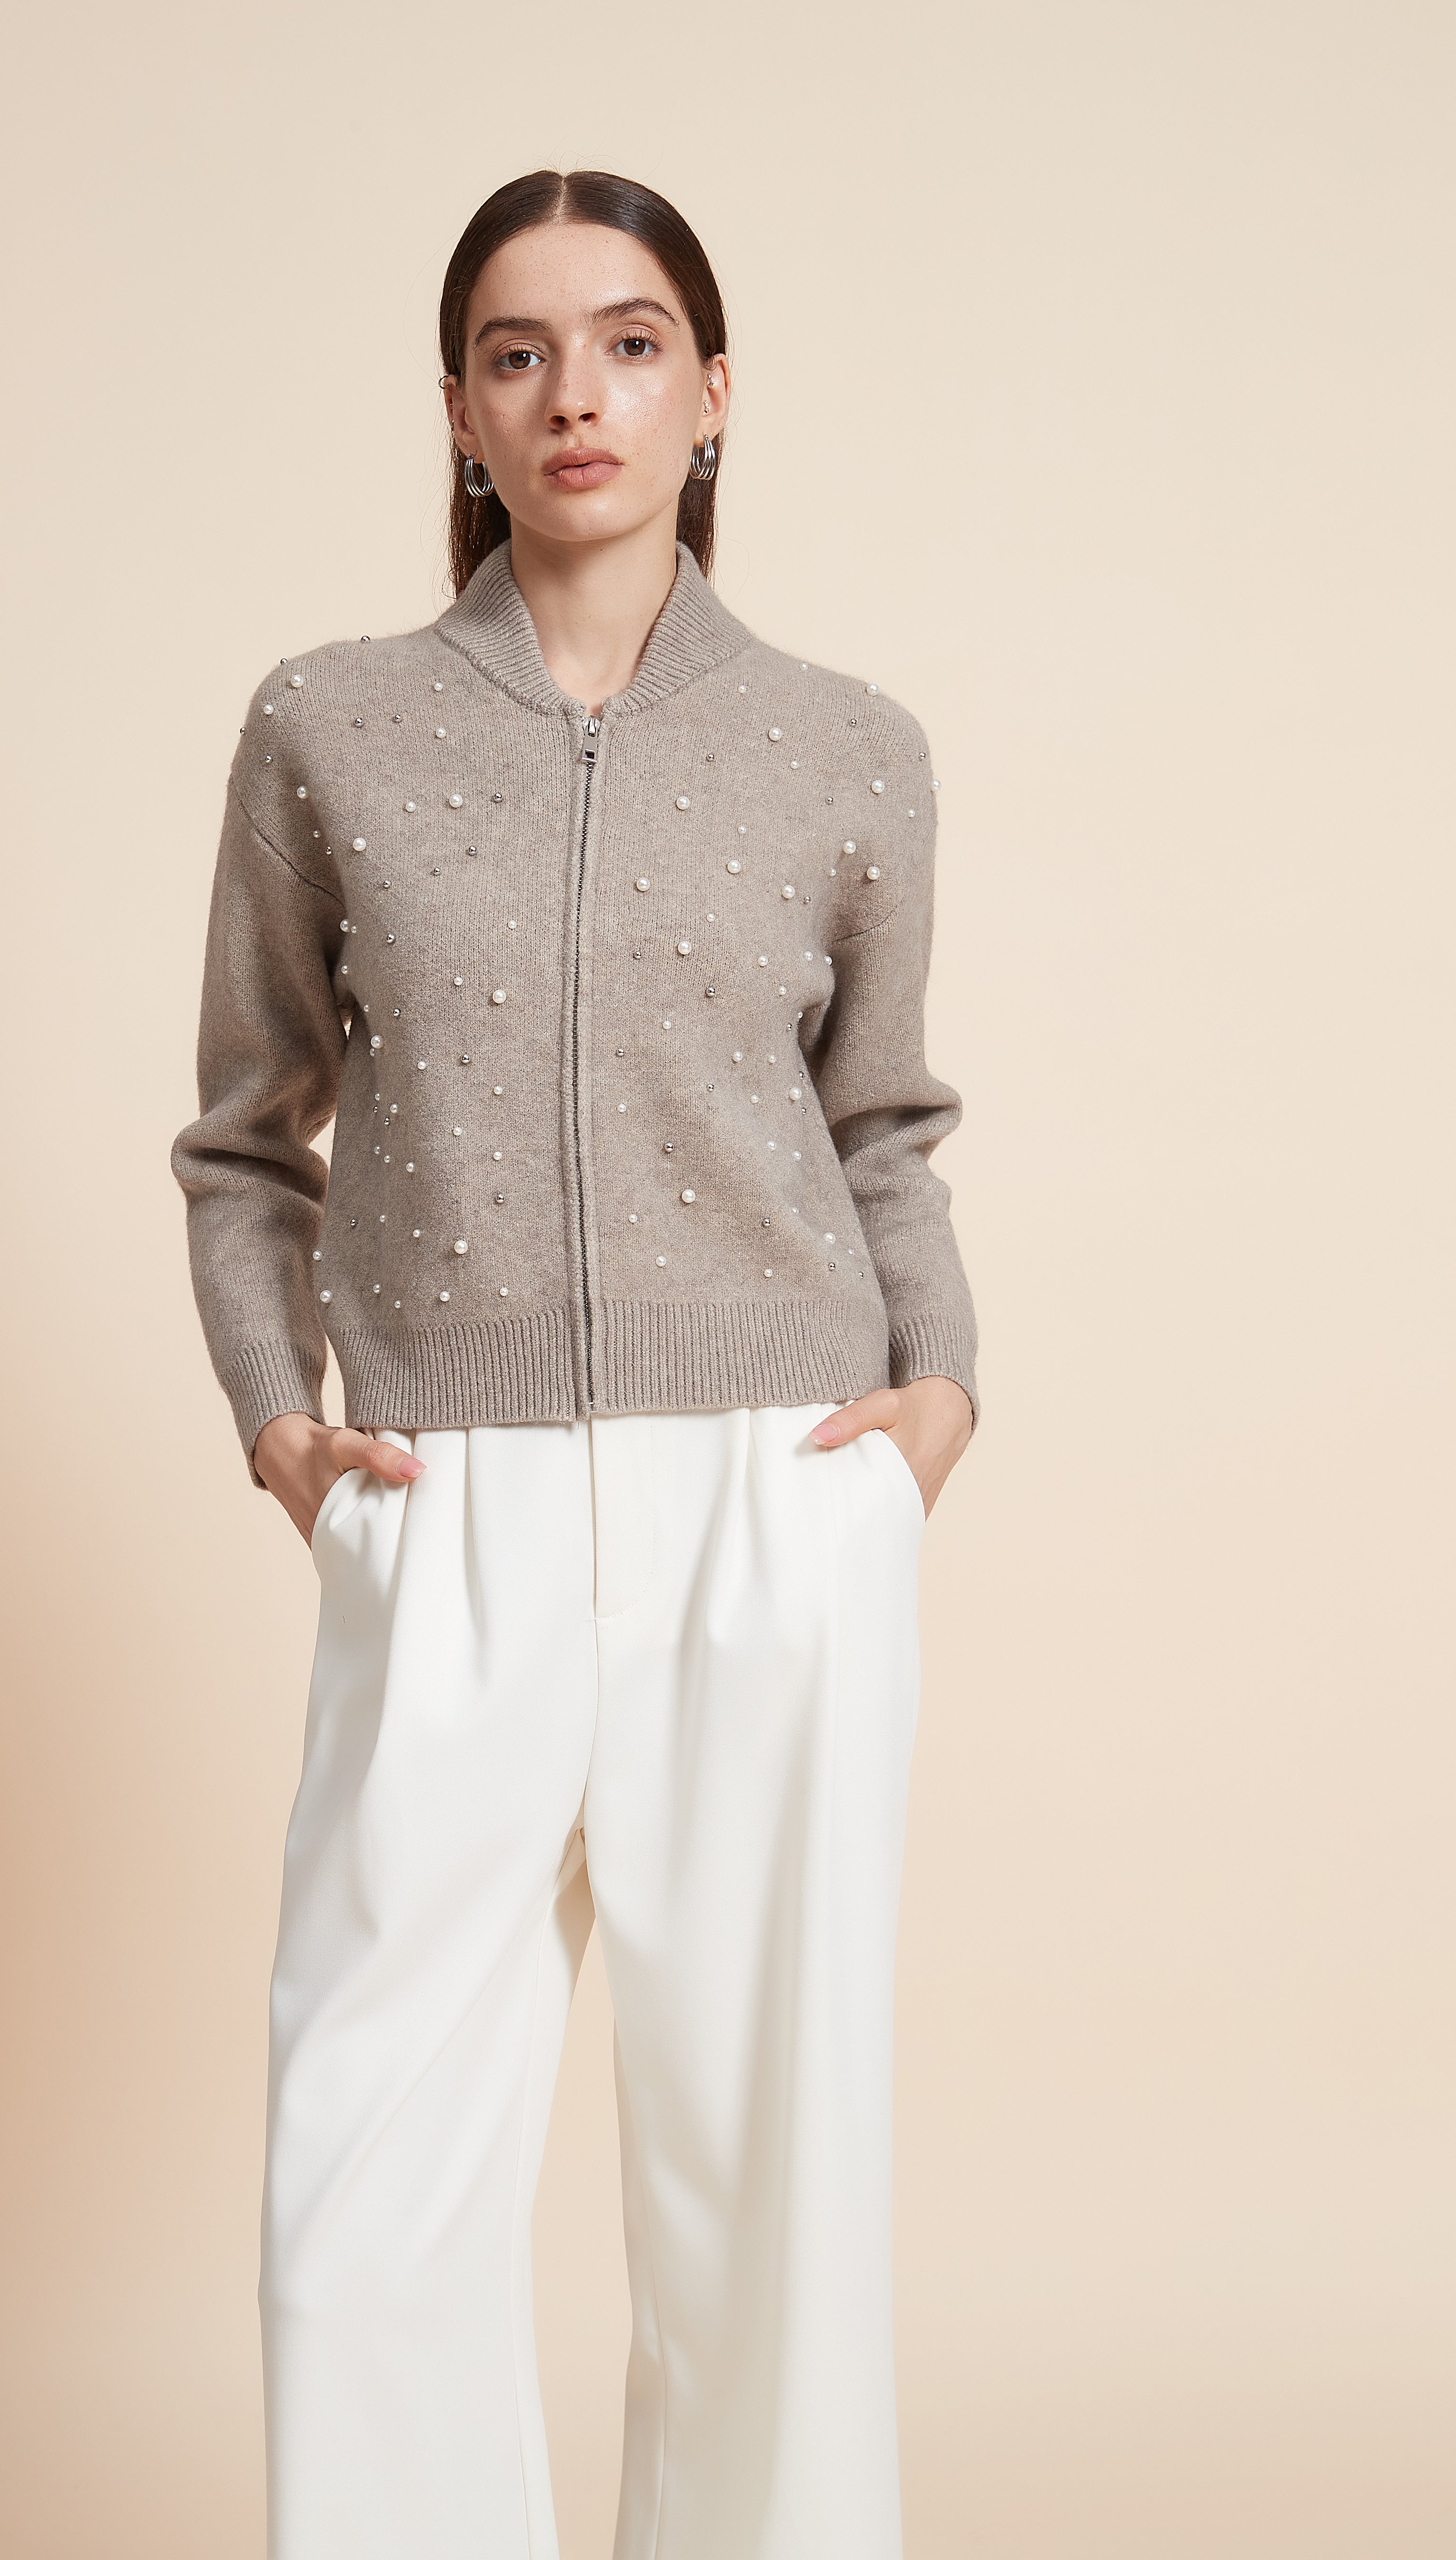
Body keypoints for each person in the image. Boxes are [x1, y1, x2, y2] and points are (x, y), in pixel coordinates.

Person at [172, 165, 977, 2560]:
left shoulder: (846, 746)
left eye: (628, 344)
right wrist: (284, 1423)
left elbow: (886, 1129)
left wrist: (931, 1403)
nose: (574, 395)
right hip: (451, 1497)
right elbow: (242, 1138)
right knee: (367, 2179)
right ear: (458, 410)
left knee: (769, 2178)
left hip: (776, 1490)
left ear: (712, 395)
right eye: (517, 354)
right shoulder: (325, 725)